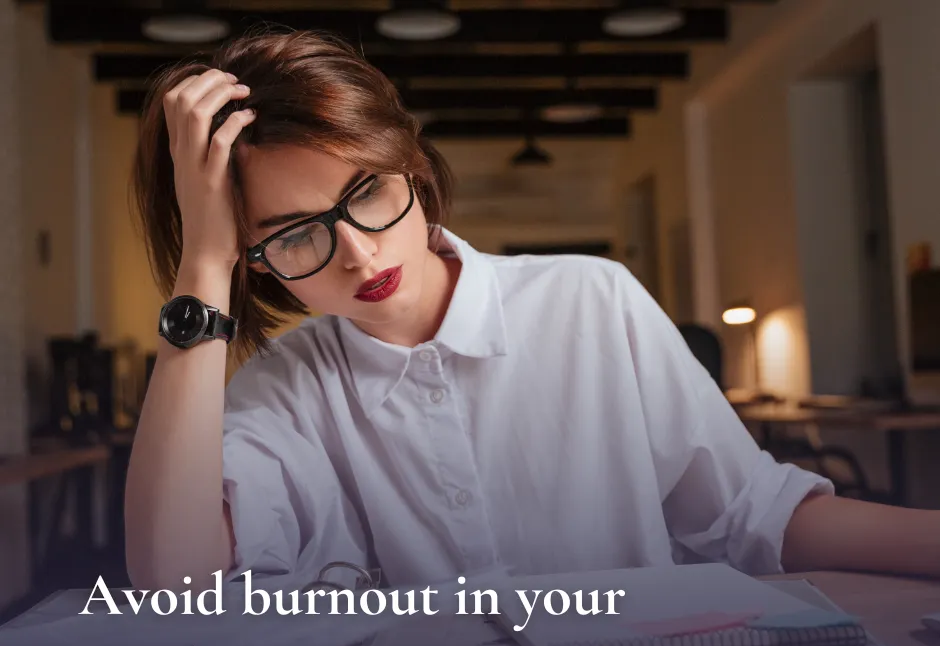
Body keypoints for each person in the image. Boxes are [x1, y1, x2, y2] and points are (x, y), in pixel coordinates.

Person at [125, 29, 940, 593]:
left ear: (412, 166)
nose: (359, 255)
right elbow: (177, 585)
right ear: (255, 260)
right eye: (296, 236)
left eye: (367, 192)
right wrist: (203, 264)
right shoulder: (289, 387)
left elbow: (753, 516)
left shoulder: (590, 297)